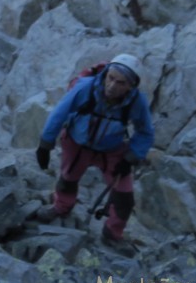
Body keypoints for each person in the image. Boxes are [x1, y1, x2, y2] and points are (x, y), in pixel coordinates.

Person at [34, 54, 155, 246]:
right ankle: (61, 206)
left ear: (130, 86)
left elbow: (146, 132)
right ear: (106, 74)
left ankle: (112, 233)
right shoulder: (86, 87)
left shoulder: (136, 102)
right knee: (67, 180)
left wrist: (131, 157)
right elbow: (59, 113)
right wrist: (45, 145)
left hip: (112, 150)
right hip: (77, 143)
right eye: (111, 78)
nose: (112, 86)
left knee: (124, 197)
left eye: (120, 82)